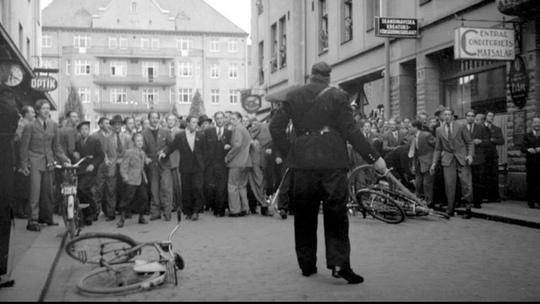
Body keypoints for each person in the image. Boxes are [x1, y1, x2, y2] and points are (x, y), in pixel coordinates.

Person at [269, 62, 389, 284]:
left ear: (311, 75)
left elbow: (275, 127)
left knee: (304, 214)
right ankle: (339, 264)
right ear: (328, 76)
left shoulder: (293, 95)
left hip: (303, 161)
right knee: (336, 213)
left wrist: (291, 151)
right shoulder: (338, 96)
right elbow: (351, 131)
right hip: (333, 161)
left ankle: (307, 264)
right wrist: (374, 158)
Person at [20, 99, 70, 231]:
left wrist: (65, 159)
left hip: (49, 162)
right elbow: (24, 147)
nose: (47, 110)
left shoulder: (53, 125)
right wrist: (24, 165)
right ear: (37, 111)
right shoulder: (30, 125)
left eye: (48, 108)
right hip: (34, 161)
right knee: (35, 192)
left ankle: (47, 218)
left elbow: (56, 146)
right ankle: (32, 221)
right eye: (43, 108)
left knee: (48, 192)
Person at [430, 108, 473, 219]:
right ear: (442, 117)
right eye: (445, 115)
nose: (447, 117)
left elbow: (469, 142)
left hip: (462, 157)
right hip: (448, 158)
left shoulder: (461, 126)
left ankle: (468, 208)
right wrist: (434, 163)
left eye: (449, 114)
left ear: (453, 116)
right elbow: (438, 148)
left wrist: (470, 155)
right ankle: (450, 209)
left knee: (465, 183)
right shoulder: (439, 130)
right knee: (449, 184)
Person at [161, 115, 205, 221]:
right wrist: (164, 153)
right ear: (188, 123)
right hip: (185, 166)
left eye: (196, 123)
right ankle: (188, 211)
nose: (195, 125)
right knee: (186, 189)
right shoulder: (180, 136)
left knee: (197, 188)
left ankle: (196, 211)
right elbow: (172, 146)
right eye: (193, 122)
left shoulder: (200, 135)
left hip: (197, 166)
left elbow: (205, 150)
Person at [142, 111, 173, 221]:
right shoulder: (144, 133)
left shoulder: (165, 132)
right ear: (149, 119)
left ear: (159, 119)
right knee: (154, 189)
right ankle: (155, 212)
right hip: (152, 164)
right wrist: (145, 157)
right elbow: (142, 149)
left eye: (156, 118)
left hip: (164, 164)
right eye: (152, 118)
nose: (154, 120)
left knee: (166, 188)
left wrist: (165, 152)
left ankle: (167, 211)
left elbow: (171, 145)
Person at [74, 121, 104, 226]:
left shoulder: (94, 140)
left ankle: (92, 211)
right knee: (81, 191)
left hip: (91, 171)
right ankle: (87, 214)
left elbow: (101, 156)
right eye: (82, 130)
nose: (84, 131)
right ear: (79, 131)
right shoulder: (78, 142)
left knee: (82, 188)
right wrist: (75, 154)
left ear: (89, 130)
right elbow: (77, 153)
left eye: (86, 129)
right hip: (81, 170)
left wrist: (93, 165)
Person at [203, 112, 232, 217]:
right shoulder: (208, 132)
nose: (220, 120)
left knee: (221, 187)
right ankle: (214, 206)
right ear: (215, 119)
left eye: (221, 118)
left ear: (224, 119)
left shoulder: (229, 133)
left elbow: (233, 147)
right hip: (210, 164)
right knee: (211, 187)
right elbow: (204, 147)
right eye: (217, 118)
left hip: (223, 164)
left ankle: (220, 210)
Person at [117, 133, 149, 227]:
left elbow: (142, 168)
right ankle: (122, 219)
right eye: (138, 141)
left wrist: (145, 178)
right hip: (131, 179)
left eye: (141, 141)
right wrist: (125, 177)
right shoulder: (129, 152)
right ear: (134, 142)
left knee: (143, 198)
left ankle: (141, 217)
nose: (140, 143)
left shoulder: (142, 153)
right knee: (127, 198)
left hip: (140, 178)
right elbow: (123, 166)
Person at [225, 112, 253, 217]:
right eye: (230, 119)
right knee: (242, 186)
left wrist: (228, 156)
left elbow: (237, 144)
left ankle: (235, 210)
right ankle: (245, 208)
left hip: (237, 162)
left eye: (233, 119)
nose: (231, 121)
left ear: (239, 119)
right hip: (246, 162)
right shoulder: (244, 129)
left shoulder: (237, 129)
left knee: (232, 186)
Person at [248, 119, 274, 216]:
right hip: (256, 160)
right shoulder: (261, 126)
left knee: (262, 183)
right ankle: (263, 206)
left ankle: (262, 205)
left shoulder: (274, 129)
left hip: (265, 161)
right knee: (259, 182)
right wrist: (253, 144)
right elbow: (248, 138)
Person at [90, 117, 115, 221]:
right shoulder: (95, 136)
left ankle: (108, 211)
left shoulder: (111, 135)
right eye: (105, 123)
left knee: (109, 189)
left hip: (109, 165)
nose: (108, 125)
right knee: (98, 188)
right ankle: (95, 211)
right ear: (100, 124)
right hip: (100, 166)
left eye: (109, 123)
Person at [13, 106, 35, 219]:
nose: (34, 114)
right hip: (21, 159)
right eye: (31, 112)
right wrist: (21, 163)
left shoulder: (29, 124)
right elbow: (18, 142)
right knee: (22, 186)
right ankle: (19, 210)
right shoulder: (22, 125)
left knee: (26, 186)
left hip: (25, 158)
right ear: (26, 114)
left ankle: (22, 209)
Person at [465, 110, 490, 209]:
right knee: (465, 180)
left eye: (472, 116)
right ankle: (465, 200)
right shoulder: (462, 128)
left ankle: (477, 201)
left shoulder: (480, 128)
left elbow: (488, 141)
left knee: (477, 181)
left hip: (478, 157)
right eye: (469, 116)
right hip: (465, 156)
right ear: (466, 117)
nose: (470, 118)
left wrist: (481, 141)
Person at [408, 120, 435, 207]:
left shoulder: (427, 135)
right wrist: (413, 165)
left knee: (427, 183)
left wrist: (433, 160)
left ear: (415, 127)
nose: (409, 129)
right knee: (418, 183)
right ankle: (419, 200)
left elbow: (437, 145)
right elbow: (415, 152)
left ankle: (429, 202)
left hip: (428, 162)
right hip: (418, 163)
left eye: (410, 127)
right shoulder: (413, 137)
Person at [484, 111, 505, 203]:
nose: (491, 117)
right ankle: (484, 196)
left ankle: (494, 197)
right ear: (486, 117)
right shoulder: (481, 128)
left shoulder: (496, 129)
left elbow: (501, 141)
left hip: (492, 155)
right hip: (483, 155)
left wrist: (493, 139)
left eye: (493, 116)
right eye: (489, 116)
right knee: (484, 176)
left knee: (493, 176)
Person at [521, 116, 540, 209]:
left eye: (538, 122)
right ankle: (531, 202)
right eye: (535, 122)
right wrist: (528, 149)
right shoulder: (527, 135)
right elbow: (522, 148)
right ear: (532, 124)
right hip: (531, 163)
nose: (537, 124)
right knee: (531, 183)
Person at [165, 113, 182, 213]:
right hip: (167, 161)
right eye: (169, 120)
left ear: (176, 122)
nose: (171, 122)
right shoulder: (164, 132)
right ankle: (172, 205)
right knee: (169, 186)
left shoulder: (180, 132)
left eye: (172, 120)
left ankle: (180, 205)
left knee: (178, 185)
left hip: (177, 160)